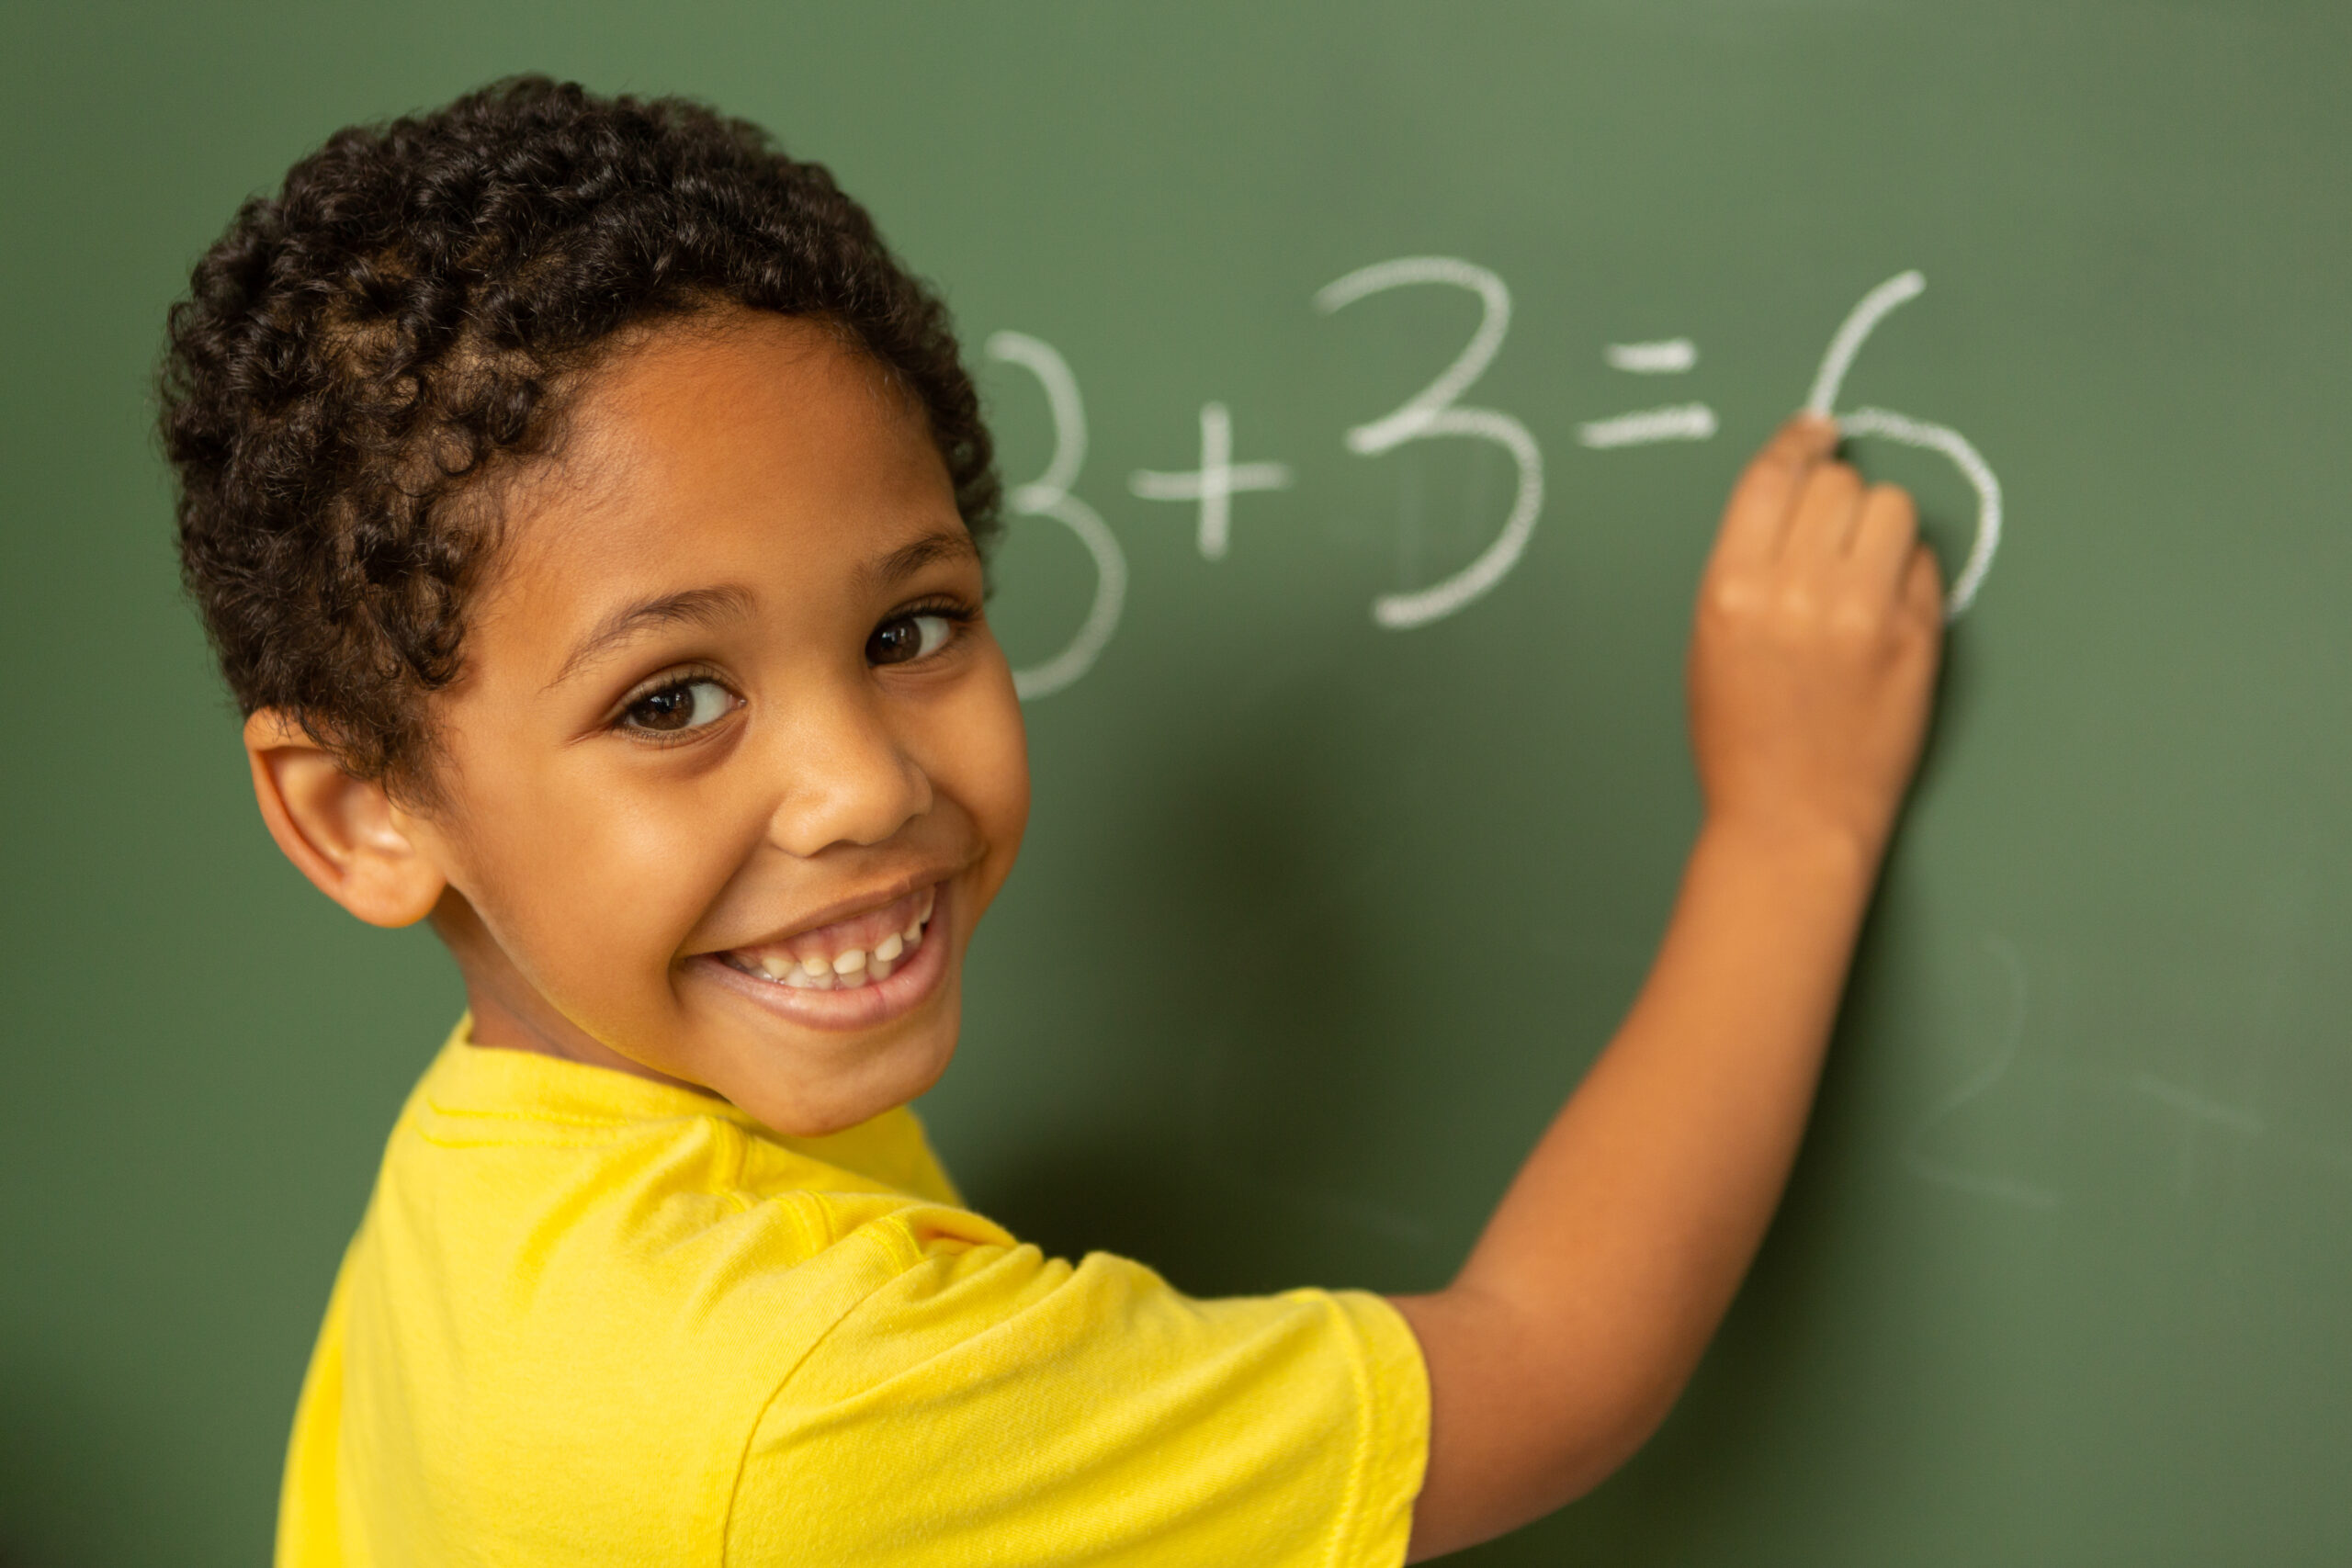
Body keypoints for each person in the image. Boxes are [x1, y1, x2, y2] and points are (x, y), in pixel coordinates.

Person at [160, 76, 1943, 1567]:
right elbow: (1547, 1366)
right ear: (360, 811)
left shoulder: (498, 1167)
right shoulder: (811, 1403)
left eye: (909, 629)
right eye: (669, 700)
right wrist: (1787, 829)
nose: (863, 781)